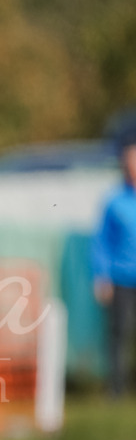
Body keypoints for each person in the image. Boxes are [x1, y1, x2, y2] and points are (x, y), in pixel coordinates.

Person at [92, 128, 136, 397]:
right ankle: (116, 389)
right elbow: (101, 242)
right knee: (119, 334)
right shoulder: (113, 201)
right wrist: (101, 276)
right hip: (120, 278)